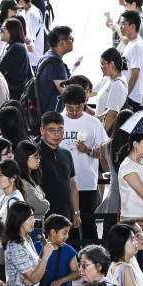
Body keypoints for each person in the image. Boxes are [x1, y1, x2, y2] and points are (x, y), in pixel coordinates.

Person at [59, 85, 107, 239]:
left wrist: (89, 151)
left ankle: (92, 260)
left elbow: (104, 154)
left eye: (78, 108)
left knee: (88, 226)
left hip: (86, 182)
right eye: (69, 108)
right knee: (66, 226)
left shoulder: (93, 123)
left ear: (85, 103)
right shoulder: (57, 121)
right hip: (64, 182)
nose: (74, 112)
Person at [37, 112, 79, 231]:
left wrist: (76, 212)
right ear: (42, 131)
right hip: (43, 216)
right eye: (52, 130)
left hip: (65, 215)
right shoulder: (34, 154)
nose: (57, 134)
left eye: (60, 129)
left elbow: (73, 184)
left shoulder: (66, 154)